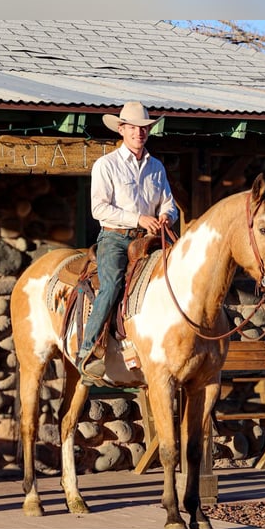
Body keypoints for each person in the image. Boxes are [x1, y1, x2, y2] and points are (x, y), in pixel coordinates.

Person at [76, 101, 179, 383]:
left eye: (144, 128)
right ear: (121, 129)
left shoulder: (156, 167)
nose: (139, 133)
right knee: (110, 286)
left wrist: (166, 216)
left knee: (176, 280)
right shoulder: (106, 165)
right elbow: (99, 209)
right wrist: (138, 219)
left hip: (151, 239)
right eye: (133, 127)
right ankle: (88, 351)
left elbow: (169, 203)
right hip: (115, 238)